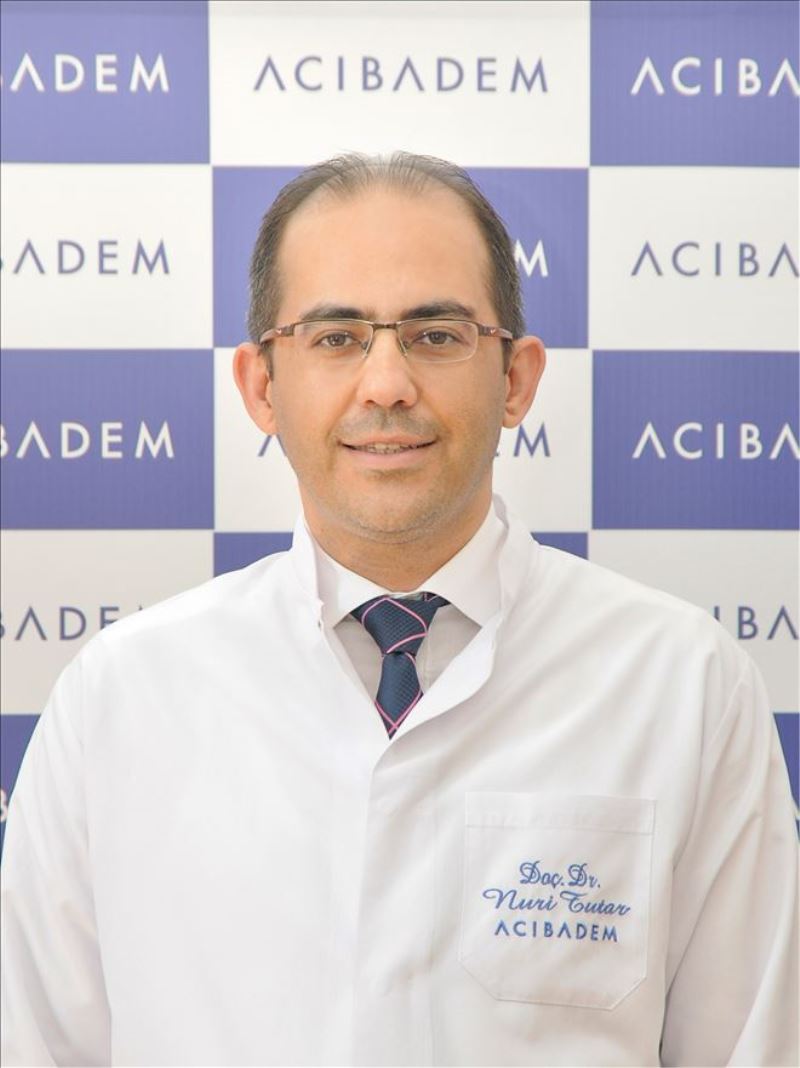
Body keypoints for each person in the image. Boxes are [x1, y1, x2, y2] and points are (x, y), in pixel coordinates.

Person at [1, 152, 796, 1068]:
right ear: (262, 387)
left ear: (516, 379)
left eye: (437, 334)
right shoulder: (118, 697)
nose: (386, 385)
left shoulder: (686, 684)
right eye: (336, 338)